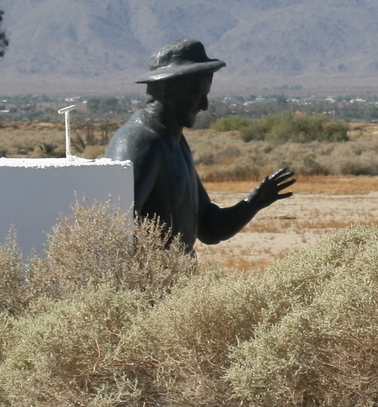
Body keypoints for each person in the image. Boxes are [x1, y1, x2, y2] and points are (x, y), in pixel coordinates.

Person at [104, 39, 295, 250]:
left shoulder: (176, 143)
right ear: (168, 90)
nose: (204, 106)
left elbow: (208, 228)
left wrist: (251, 204)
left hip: (178, 278)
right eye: (197, 95)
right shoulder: (138, 141)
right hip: (150, 281)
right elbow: (115, 229)